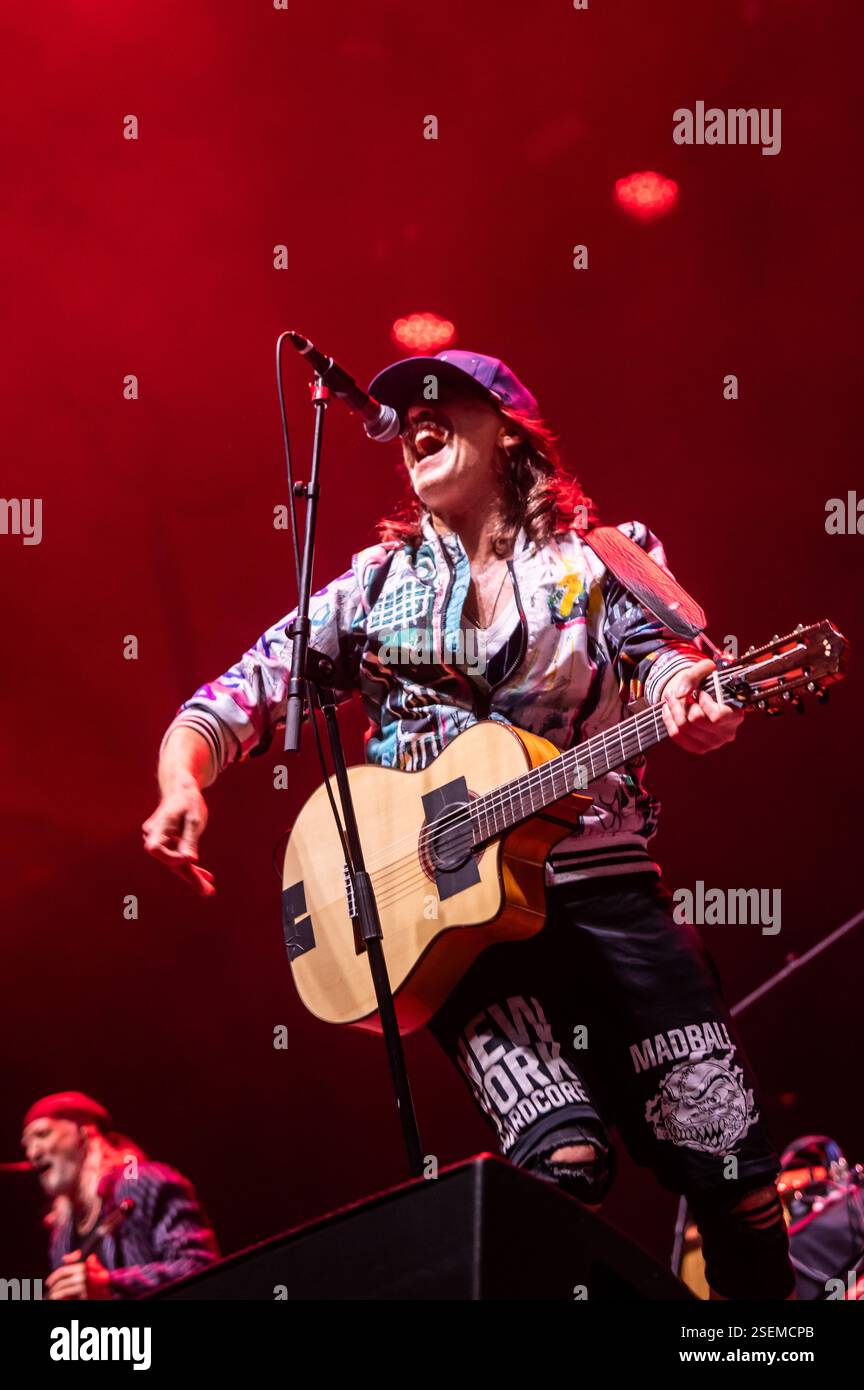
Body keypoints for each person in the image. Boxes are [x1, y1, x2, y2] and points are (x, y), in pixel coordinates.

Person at [143, 349, 795, 1299]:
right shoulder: (371, 590)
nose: (414, 415)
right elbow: (233, 698)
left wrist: (705, 700)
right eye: (403, 408)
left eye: (441, 400)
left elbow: (674, 675)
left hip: (605, 893)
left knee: (732, 1173)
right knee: (561, 1166)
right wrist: (181, 782)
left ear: (513, 435)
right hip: (458, 927)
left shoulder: (604, 558)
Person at [22, 1090, 219, 1299]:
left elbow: (202, 1267)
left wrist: (111, 1285)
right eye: (27, 1146)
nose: (33, 1154)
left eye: (43, 1135)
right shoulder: (61, 1236)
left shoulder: (143, 1183)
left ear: (84, 1133)